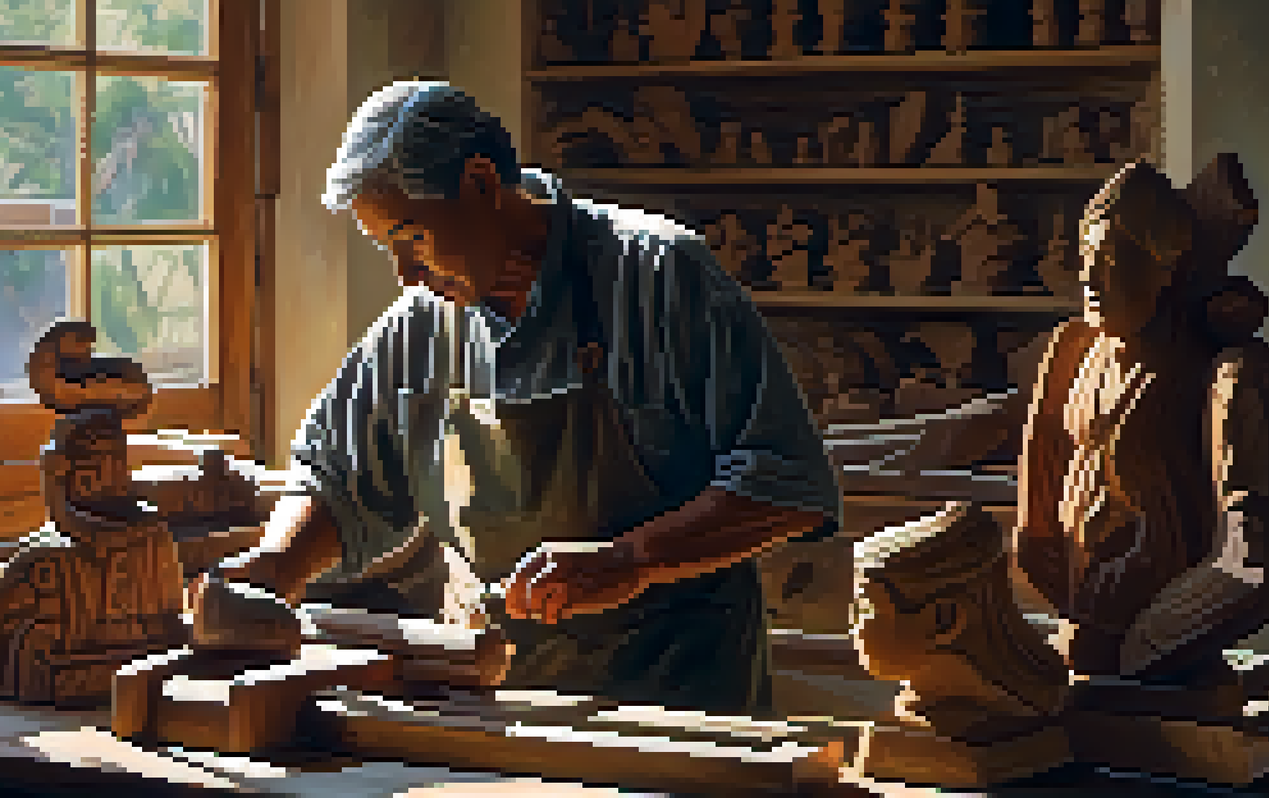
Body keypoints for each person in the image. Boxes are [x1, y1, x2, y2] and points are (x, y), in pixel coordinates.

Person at [217, 81, 840, 715]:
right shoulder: (421, 323)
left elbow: (785, 483)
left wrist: (630, 560)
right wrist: (277, 567)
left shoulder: (657, 277)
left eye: (413, 238)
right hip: (496, 693)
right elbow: (337, 476)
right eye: (389, 250)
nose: (404, 275)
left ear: (482, 183)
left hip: (673, 693)